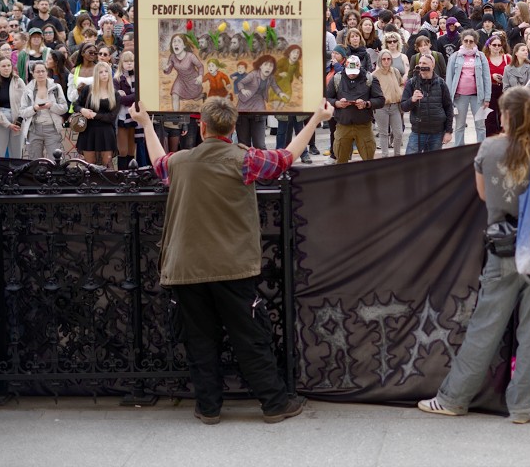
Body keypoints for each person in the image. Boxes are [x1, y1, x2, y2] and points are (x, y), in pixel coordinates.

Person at [131, 96, 330, 425]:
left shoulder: (181, 161)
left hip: (185, 267)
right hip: (232, 265)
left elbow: (158, 163)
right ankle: (274, 403)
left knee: (199, 339)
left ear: (202, 125)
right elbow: (286, 157)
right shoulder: (245, 160)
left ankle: (208, 407)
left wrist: (146, 125)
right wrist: (315, 119)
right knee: (249, 336)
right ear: (234, 128)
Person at [416, 85, 530, 423]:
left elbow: (484, 194)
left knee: (484, 329)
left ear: (504, 115)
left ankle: (454, 399)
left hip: (502, 251)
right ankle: (522, 407)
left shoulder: (488, 149)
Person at [326, 55, 384, 162]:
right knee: (341, 161)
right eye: (349, 71)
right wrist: (337, 103)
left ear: (359, 68)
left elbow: (381, 100)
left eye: (354, 72)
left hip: (364, 126)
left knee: (368, 159)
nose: (352, 74)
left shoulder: (369, 78)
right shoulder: (337, 78)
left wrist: (366, 104)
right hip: (343, 125)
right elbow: (326, 99)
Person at [400, 53, 455, 153]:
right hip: (418, 132)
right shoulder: (412, 83)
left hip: (437, 132)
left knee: (432, 165)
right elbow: (403, 107)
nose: (421, 65)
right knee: (409, 163)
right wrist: (412, 99)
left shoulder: (441, 83)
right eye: (420, 63)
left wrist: (448, 131)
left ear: (432, 66)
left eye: (424, 63)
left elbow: (449, 108)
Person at [0, 56, 28, 159]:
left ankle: (16, 174)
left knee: (17, 154)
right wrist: (8, 124)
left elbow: (25, 102)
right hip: (0, 120)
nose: (6, 68)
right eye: (3, 66)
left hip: (18, 119)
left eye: (9, 65)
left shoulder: (19, 81)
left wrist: (19, 120)